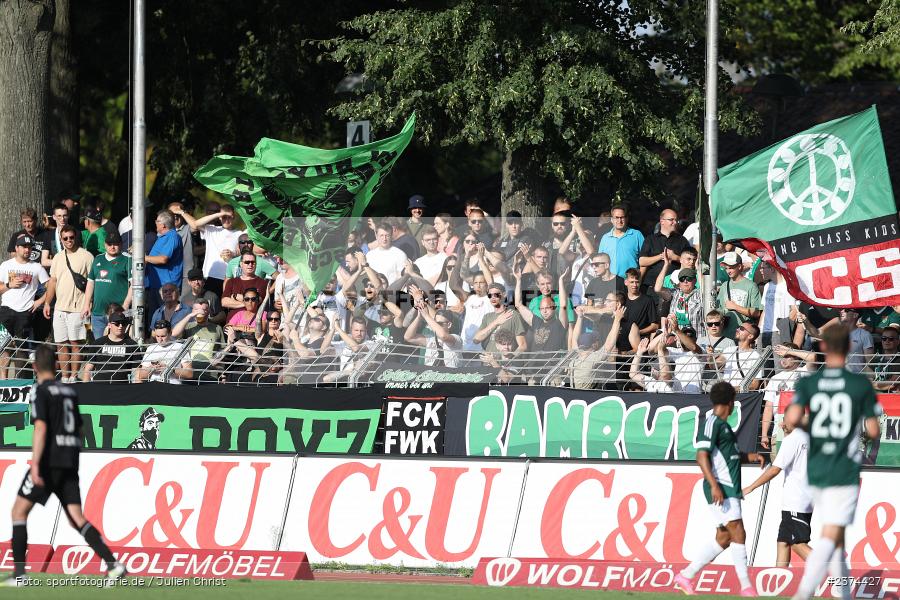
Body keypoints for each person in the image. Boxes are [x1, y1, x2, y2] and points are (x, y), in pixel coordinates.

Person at [4, 344, 126, 586]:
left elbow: (40, 427)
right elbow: (80, 427)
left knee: (18, 512)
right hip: (69, 461)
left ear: (36, 367)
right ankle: (113, 565)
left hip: (49, 461)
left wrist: (36, 465)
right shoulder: (69, 391)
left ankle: (19, 576)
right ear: (57, 365)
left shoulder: (41, 391)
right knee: (76, 517)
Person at [784, 325, 882, 600]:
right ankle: (803, 594)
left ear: (823, 347)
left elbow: (791, 419)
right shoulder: (860, 385)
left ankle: (843, 593)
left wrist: (816, 423)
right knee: (832, 534)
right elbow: (874, 431)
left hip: (816, 468)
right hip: (844, 468)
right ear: (850, 349)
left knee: (835, 536)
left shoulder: (808, 383)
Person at [673, 381, 764, 597]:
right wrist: (714, 485)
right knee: (738, 531)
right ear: (730, 402)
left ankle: (686, 575)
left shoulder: (724, 426)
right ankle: (746, 587)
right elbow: (701, 455)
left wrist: (750, 457)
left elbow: (729, 456)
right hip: (721, 487)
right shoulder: (712, 423)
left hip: (728, 486)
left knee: (724, 537)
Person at [743, 419, 814, 567]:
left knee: (797, 543)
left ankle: (835, 571)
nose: (781, 425)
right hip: (803, 499)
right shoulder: (809, 437)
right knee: (783, 542)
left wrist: (751, 487)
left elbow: (775, 468)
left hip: (795, 501)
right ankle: (779, 582)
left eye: (784, 421)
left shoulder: (793, 439)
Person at [43, 225, 92, 382]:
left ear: (76, 237)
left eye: (71, 237)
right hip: (59, 308)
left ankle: (74, 375)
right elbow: (53, 281)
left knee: (75, 343)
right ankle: (64, 376)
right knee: (61, 344)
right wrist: (47, 303)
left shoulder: (87, 256)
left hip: (78, 308)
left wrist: (88, 304)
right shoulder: (57, 257)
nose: (69, 240)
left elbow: (92, 282)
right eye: (65, 238)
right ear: (61, 239)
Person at [172, 204, 242, 297]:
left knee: (226, 306)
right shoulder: (212, 229)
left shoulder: (240, 233)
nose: (227, 220)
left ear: (234, 217)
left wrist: (233, 254)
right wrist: (218, 214)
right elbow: (195, 224)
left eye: (229, 217)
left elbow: (243, 251)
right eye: (224, 217)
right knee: (209, 306)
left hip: (230, 277)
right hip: (210, 275)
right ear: (220, 218)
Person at [759, 344, 817, 449]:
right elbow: (768, 408)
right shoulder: (774, 378)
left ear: (797, 357)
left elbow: (813, 357)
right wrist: (764, 435)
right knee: (778, 464)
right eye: (782, 356)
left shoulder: (805, 371)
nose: (784, 359)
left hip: (803, 429)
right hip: (780, 430)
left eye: (787, 356)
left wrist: (790, 351)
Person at [0, 234, 50, 338]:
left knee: (22, 347)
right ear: (16, 248)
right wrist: (9, 285)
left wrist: (39, 302)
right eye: (24, 246)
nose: (27, 250)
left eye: (29, 247)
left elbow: (51, 287)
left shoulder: (37, 267)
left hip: (25, 313)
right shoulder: (5, 265)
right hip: (6, 311)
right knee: (3, 345)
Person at [83, 231, 132, 336]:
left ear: (121, 244)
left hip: (117, 313)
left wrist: (125, 305)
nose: (112, 247)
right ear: (105, 244)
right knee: (100, 347)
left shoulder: (127, 259)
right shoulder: (98, 258)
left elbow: (135, 285)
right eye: (109, 244)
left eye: (115, 244)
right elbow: (90, 283)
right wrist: (86, 304)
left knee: (116, 345)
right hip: (98, 312)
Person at [144, 210, 184, 331]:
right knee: (154, 318)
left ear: (163, 225)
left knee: (165, 320)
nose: (155, 223)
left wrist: (143, 257)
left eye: (157, 221)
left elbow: (163, 259)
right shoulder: (162, 237)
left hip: (166, 287)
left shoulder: (172, 236)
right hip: (156, 285)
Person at [639, 208, 689, 293]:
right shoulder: (651, 239)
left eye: (676, 220)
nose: (675, 222)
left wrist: (675, 257)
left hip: (674, 287)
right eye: (671, 220)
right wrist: (661, 256)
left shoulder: (682, 240)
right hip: (651, 287)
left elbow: (690, 262)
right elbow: (642, 261)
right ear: (662, 221)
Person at [80, 312, 139, 383]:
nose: (120, 326)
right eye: (117, 323)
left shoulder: (132, 345)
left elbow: (137, 372)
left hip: (122, 388)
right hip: (100, 387)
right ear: (109, 325)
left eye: (123, 323)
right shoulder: (98, 343)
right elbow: (88, 369)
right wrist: (86, 388)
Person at [717, 251, 762, 340]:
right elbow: (720, 310)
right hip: (726, 335)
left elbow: (756, 313)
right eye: (726, 268)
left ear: (740, 266)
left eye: (731, 267)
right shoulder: (724, 286)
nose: (728, 271)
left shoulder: (751, 285)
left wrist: (735, 307)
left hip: (744, 337)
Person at [474, 282, 527, 353]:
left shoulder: (513, 315)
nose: (492, 297)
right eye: (490, 295)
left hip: (506, 363)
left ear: (504, 295)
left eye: (496, 294)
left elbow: (522, 345)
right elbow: (476, 339)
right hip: (488, 362)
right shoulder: (487, 317)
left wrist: (511, 359)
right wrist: (496, 322)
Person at [598, 205, 644, 279]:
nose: (619, 221)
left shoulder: (637, 235)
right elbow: (600, 262)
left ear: (627, 219)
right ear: (611, 220)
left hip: (630, 282)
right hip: (610, 282)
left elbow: (645, 260)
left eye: (622, 217)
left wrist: (639, 278)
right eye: (616, 217)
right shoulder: (605, 238)